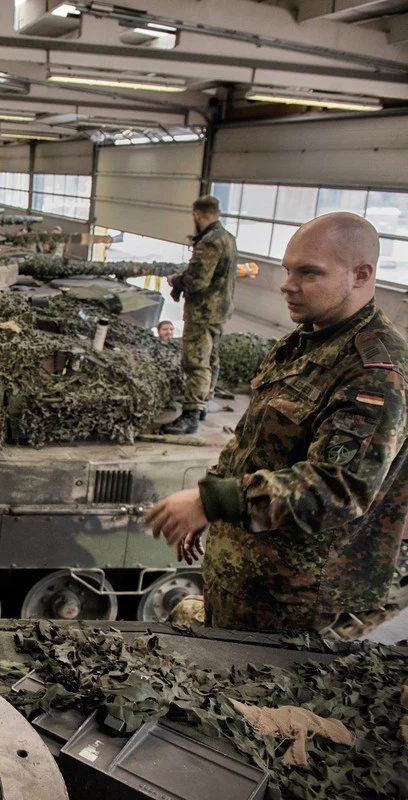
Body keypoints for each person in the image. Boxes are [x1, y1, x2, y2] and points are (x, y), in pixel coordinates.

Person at [143, 212, 407, 639]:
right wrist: (209, 499)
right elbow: (254, 442)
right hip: (249, 581)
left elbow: (339, 489)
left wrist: (217, 501)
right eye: (288, 270)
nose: (287, 284)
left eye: (308, 273)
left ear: (361, 274)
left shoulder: (376, 373)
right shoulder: (304, 341)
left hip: (298, 607)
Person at [161, 196, 238, 434]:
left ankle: (190, 415)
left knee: (195, 362)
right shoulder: (228, 238)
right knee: (211, 359)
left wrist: (176, 280)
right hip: (220, 310)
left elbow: (197, 281)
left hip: (203, 312)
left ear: (196, 214)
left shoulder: (209, 241)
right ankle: (203, 404)